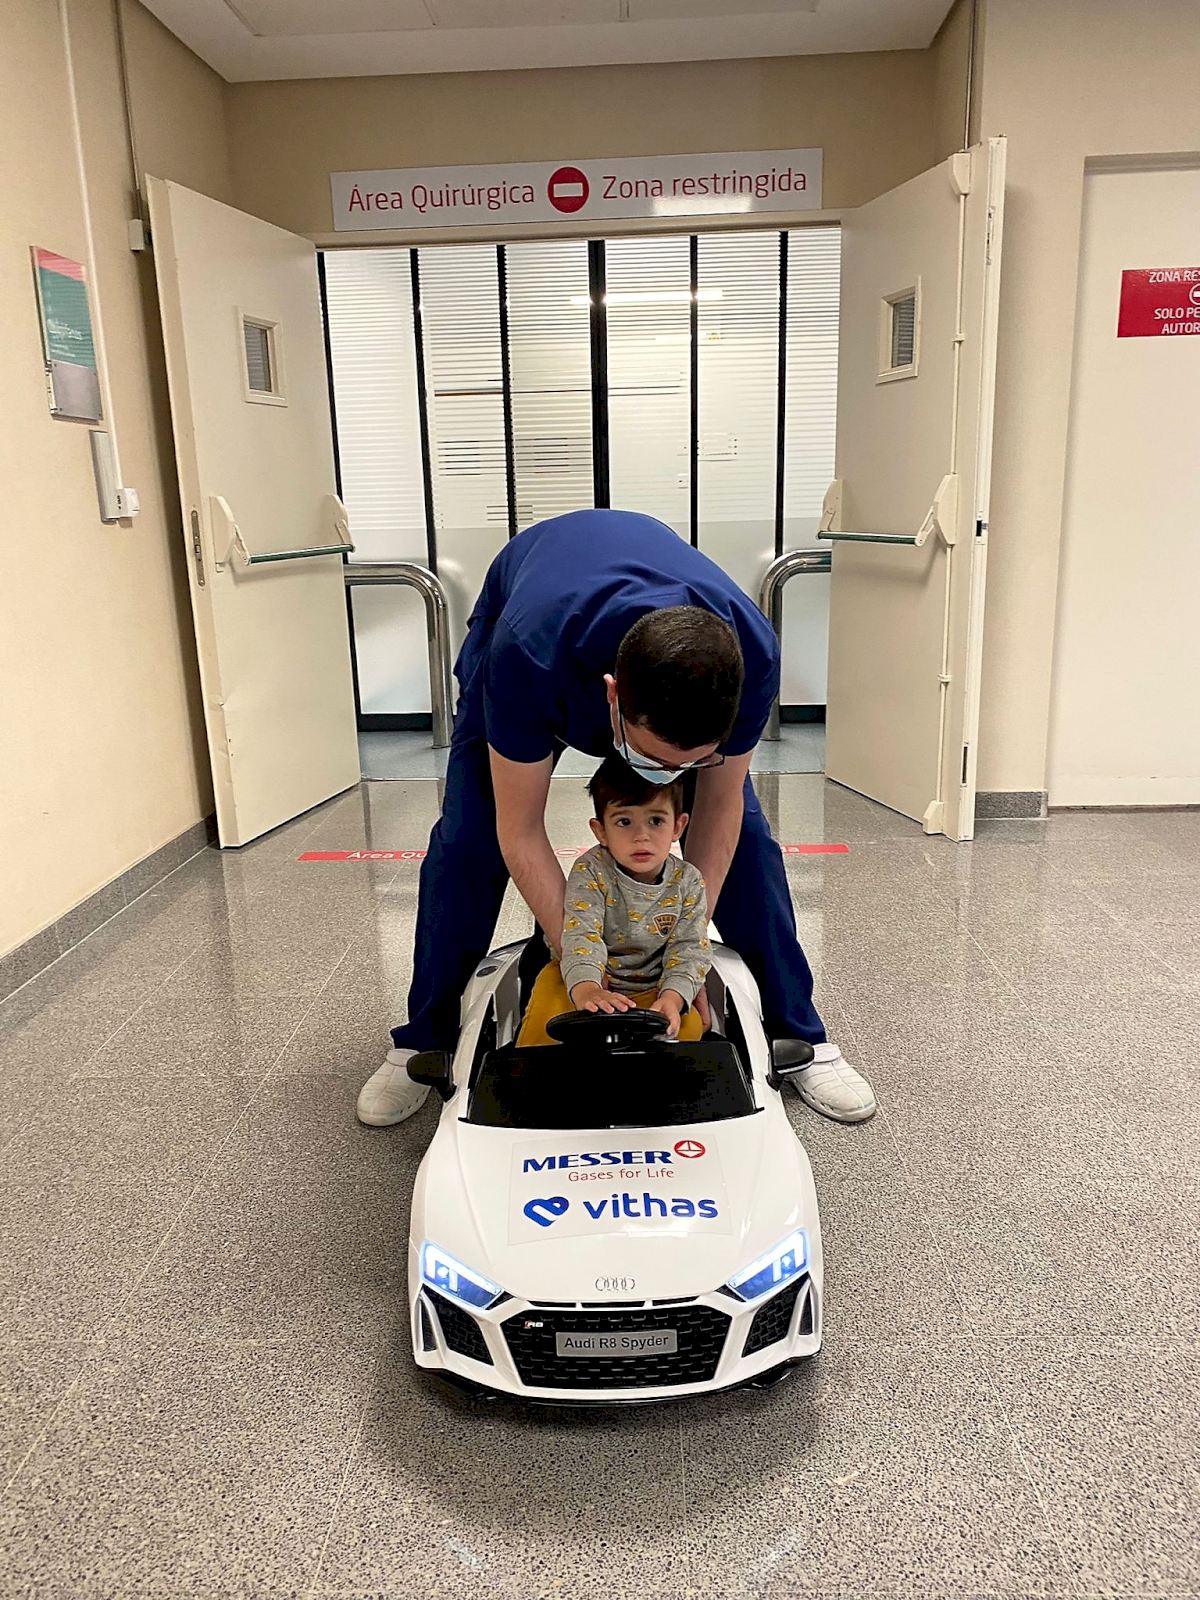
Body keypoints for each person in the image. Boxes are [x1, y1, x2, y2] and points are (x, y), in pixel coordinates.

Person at [357, 508, 876, 1126]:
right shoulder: (526, 652)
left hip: (652, 643)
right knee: (468, 839)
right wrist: (583, 962)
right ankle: (422, 1041)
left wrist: (683, 952)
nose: (666, 778)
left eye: (692, 762)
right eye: (654, 760)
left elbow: (720, 808)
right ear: (610, 697)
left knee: (750, 842)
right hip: (532, 615)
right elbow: (519, 829)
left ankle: (802, 1035)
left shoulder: (752, 655)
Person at [518, 755, 709, 1046]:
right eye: (624, 822)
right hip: (582, 977)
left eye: (656, 820)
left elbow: (689, 948)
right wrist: (587, 988)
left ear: (677, 827)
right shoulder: (590, 870)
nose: (641, 836)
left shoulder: (688, 881)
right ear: (601, 831)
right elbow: (582, 935)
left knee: (688, 1025)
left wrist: (673, 996)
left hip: (653, 984)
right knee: (543, 1024)